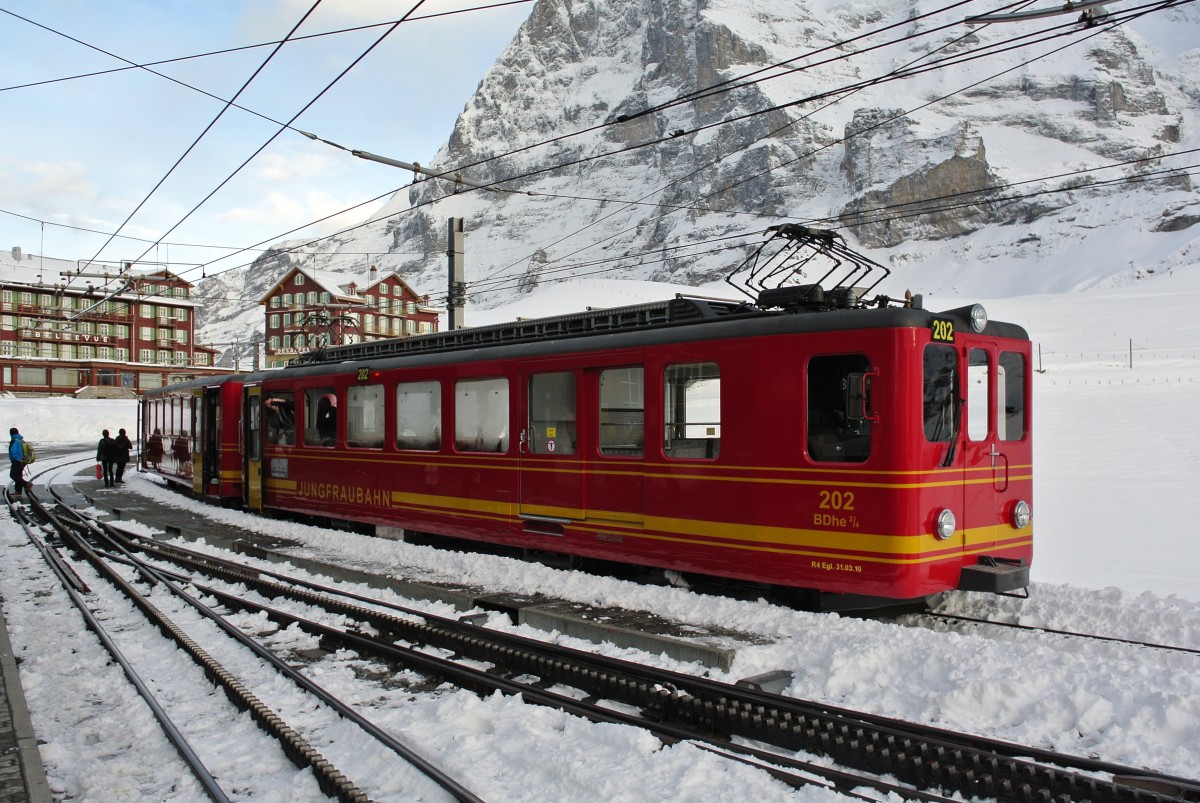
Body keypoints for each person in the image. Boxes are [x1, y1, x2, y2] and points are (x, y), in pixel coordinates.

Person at [7, 427, 32, 497]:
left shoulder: (14, 440)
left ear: (11, 433)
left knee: (13, 475)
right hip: (23, 461)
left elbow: (13, 450)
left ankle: (27, 484)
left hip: (17, 461)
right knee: (18, 475)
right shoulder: (21, 440)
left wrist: (15, 459)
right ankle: (18, 492)